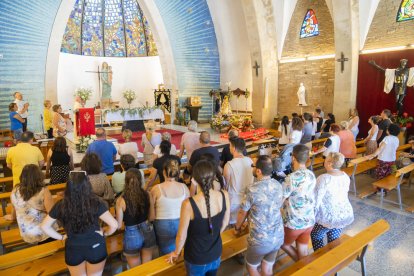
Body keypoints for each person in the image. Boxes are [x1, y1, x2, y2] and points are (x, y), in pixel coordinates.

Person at [41, 172, 118, 276]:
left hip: (73, 247)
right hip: (95, 245)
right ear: (87, 186)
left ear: (68, 187)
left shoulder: (61, 204)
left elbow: (44, 226)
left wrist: (62, 237)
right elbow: (114, 225)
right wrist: (106, 233)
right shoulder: (95, 202)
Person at [166, 160, 230, 276]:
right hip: (216, 253)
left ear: (194, 180)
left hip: (196, 258)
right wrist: (212, 236)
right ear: (213, 177)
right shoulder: (224, 194)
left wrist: (176, 252)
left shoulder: (188, 204)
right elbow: (225, 222)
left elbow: (181, 235)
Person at [234, 155, 284, 275]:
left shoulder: (252, 189)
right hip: (277, 236)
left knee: (251, 267)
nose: (252, 168)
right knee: (267, 267)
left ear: (258, 171)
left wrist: (237, 228)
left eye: (253, 166)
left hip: (260, 240)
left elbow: (242, 212)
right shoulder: (277, 184)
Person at [311, 152, 354, 251]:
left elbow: (316, 199)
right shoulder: (345, 175)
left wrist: (312, 214)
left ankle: (320, 258)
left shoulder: (324, 178)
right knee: (333, 238)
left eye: (325, 160)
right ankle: (333, 256)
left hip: (329, 215)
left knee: (316, 235)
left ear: (330, 163)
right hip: (343, 213)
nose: (324, 162)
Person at [281, 144, 316, 261]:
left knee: (283, 244)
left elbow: (280, 199)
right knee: (303, 250)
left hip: (294, 222)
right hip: (309, 220)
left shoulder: (290, 178)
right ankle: (304, 269)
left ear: (293, 158)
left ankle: (302, 268)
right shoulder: (311, 174)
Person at [116, 168, 156, 267]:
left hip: (131, 233)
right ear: (141, 180)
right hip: (147, 230)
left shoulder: (121, 200)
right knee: (146, 268)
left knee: (136, 271)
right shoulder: (147, 194)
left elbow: (119, 225)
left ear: (126, 181)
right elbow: (152, 217)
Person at [8, 165, 57, 243]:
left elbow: (14, 208)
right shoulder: (43, 191)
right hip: (41, 233)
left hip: (25, 231)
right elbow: (52, 213)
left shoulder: (15, 190)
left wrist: (11, 216)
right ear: (39, 176)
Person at [150, 159, 190, 255]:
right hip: (181, 221)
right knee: (180, 248)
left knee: (165, 252)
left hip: (162, 224)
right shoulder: (184, 187)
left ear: (163, 172)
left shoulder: (156, 189)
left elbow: (152, 214)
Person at [223, 138, 253, 225]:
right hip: (248, 200)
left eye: (230, 146)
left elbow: (225, 185)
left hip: (234, 202)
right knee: (244, 225)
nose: (229, 148)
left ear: (234, 148)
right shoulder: (250, 161)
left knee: (232, 228)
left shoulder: (229, 165)